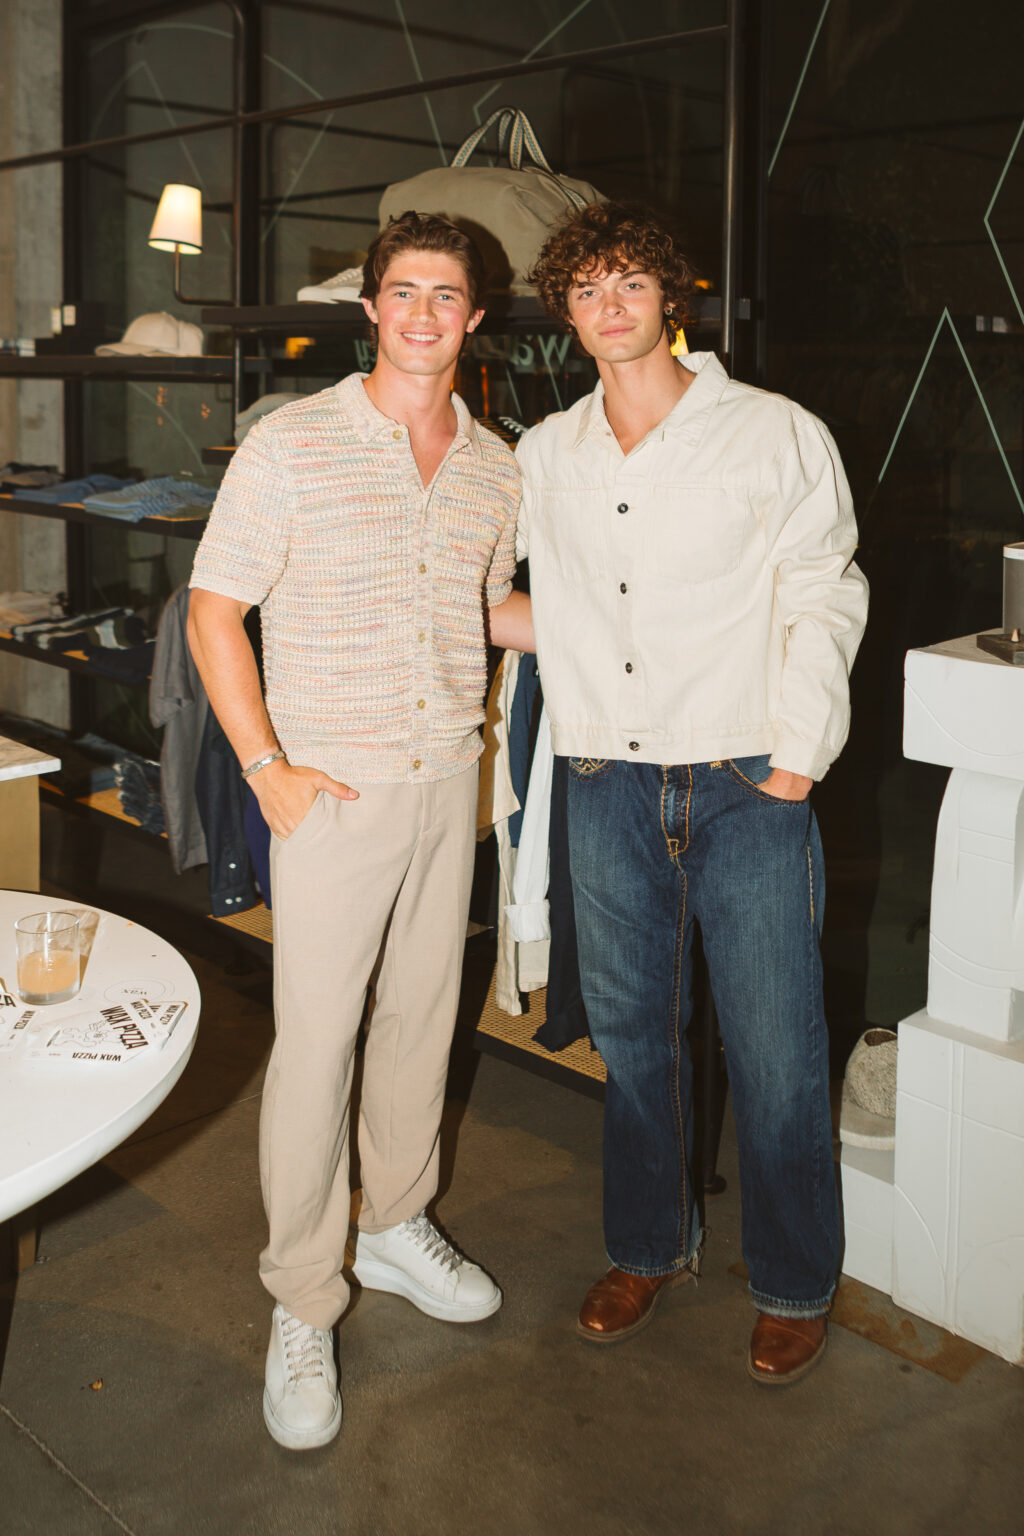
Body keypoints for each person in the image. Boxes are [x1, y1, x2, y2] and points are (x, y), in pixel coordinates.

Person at [188, 211, 531, 1449]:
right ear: (371, 307)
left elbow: (484, 610)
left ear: (474, 316)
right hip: (328, 792)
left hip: (447, 780)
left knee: (422, 1021)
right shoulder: (293, 443)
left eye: (447, 295)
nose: (424, 313)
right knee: (317, 1046)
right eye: (404, 291)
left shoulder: (498, 464)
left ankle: (390, 1224)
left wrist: (635, 619)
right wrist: (264, 767)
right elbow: (214, 611)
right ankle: (302, 1295)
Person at [517, 200, 868, 1385]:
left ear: (672, 296)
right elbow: (534, 601)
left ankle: (792, 1282)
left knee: (777, 1051)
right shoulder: (546, 451)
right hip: (605, 777)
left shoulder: (770, 431)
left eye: (629, 283)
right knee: (632, 1044)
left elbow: (823, 589)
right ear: (565, 314)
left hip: (743, 776)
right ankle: (646, 1249)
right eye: (585, 290)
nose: (608, 306)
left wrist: (795, 758)